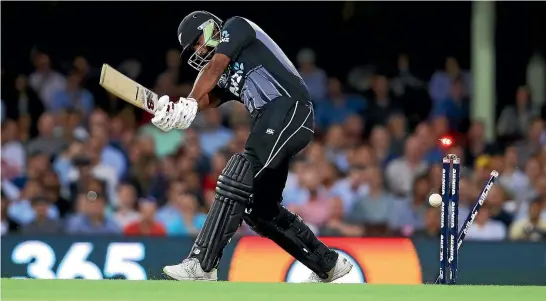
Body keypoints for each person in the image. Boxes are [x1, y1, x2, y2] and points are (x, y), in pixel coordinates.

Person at [153, 11, 351, 282]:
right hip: (274, 121)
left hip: (288, 110)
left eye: (198, 42)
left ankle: (202, 263)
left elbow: (215, 68)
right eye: (193, 49)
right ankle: (327, 263)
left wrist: (188, 100)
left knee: (239, 173)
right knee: (259, 210)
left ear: (210, 28)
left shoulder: (237, 27)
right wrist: (177, 112)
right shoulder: (220, 72)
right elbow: (210, 98)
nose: (198, 50)